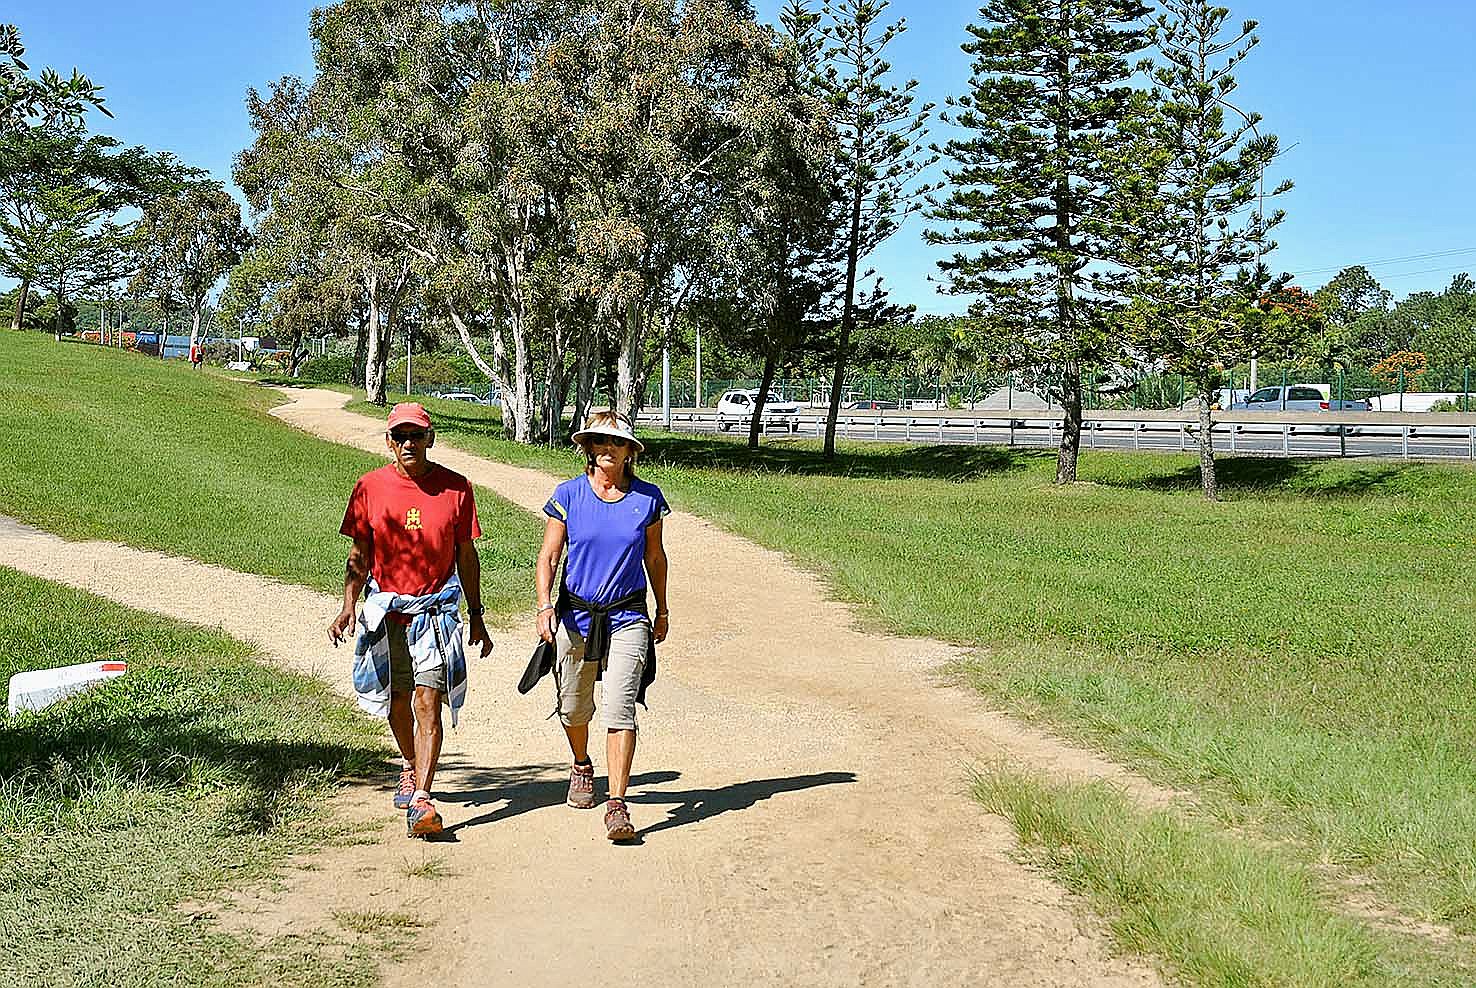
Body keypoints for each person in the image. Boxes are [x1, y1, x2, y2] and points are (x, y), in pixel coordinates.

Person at [329, 402, 493, 838]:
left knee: (427, 702)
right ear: (389, 442)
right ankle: (409, 760)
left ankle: (422, 796)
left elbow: (465, 555)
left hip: (436, 612)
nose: (407, 444)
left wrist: (476, 615)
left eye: (416, 435)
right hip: (388, 614)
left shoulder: (456, 489)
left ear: (430, 439)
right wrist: (348, 604)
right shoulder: (369, 487)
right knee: (397, 701)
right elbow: (359, 554)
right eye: (399, 436)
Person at [536, 410, 669, 841]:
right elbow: (550, 556)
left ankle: (617, 804)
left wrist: (661, 610)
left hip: (629, 615)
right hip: (576, 615)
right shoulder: (569, 495)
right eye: (599, 441)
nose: (607, 448)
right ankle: (580, 764)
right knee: (574, 706)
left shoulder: (647, 499)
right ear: (588, 448)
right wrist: (544, 606)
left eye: (617, 443)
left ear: (630, 451)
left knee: (619, 707)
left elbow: (655, 558)